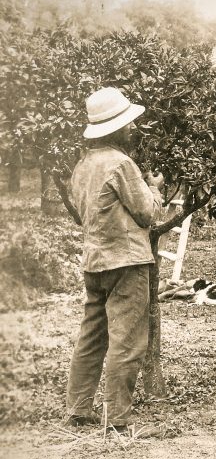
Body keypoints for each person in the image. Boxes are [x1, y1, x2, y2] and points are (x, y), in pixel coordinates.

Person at [66, 87, 165, 431]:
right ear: (116, 129)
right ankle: (118, 420)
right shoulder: (122, 164)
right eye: (128, 124)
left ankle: (78, 410)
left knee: (92, 339)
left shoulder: (82, 165)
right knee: (128, 342)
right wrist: (155, 187)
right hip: (126, 263)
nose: (133, 129)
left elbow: (82, 213)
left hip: (94, 262)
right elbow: (148, 214)